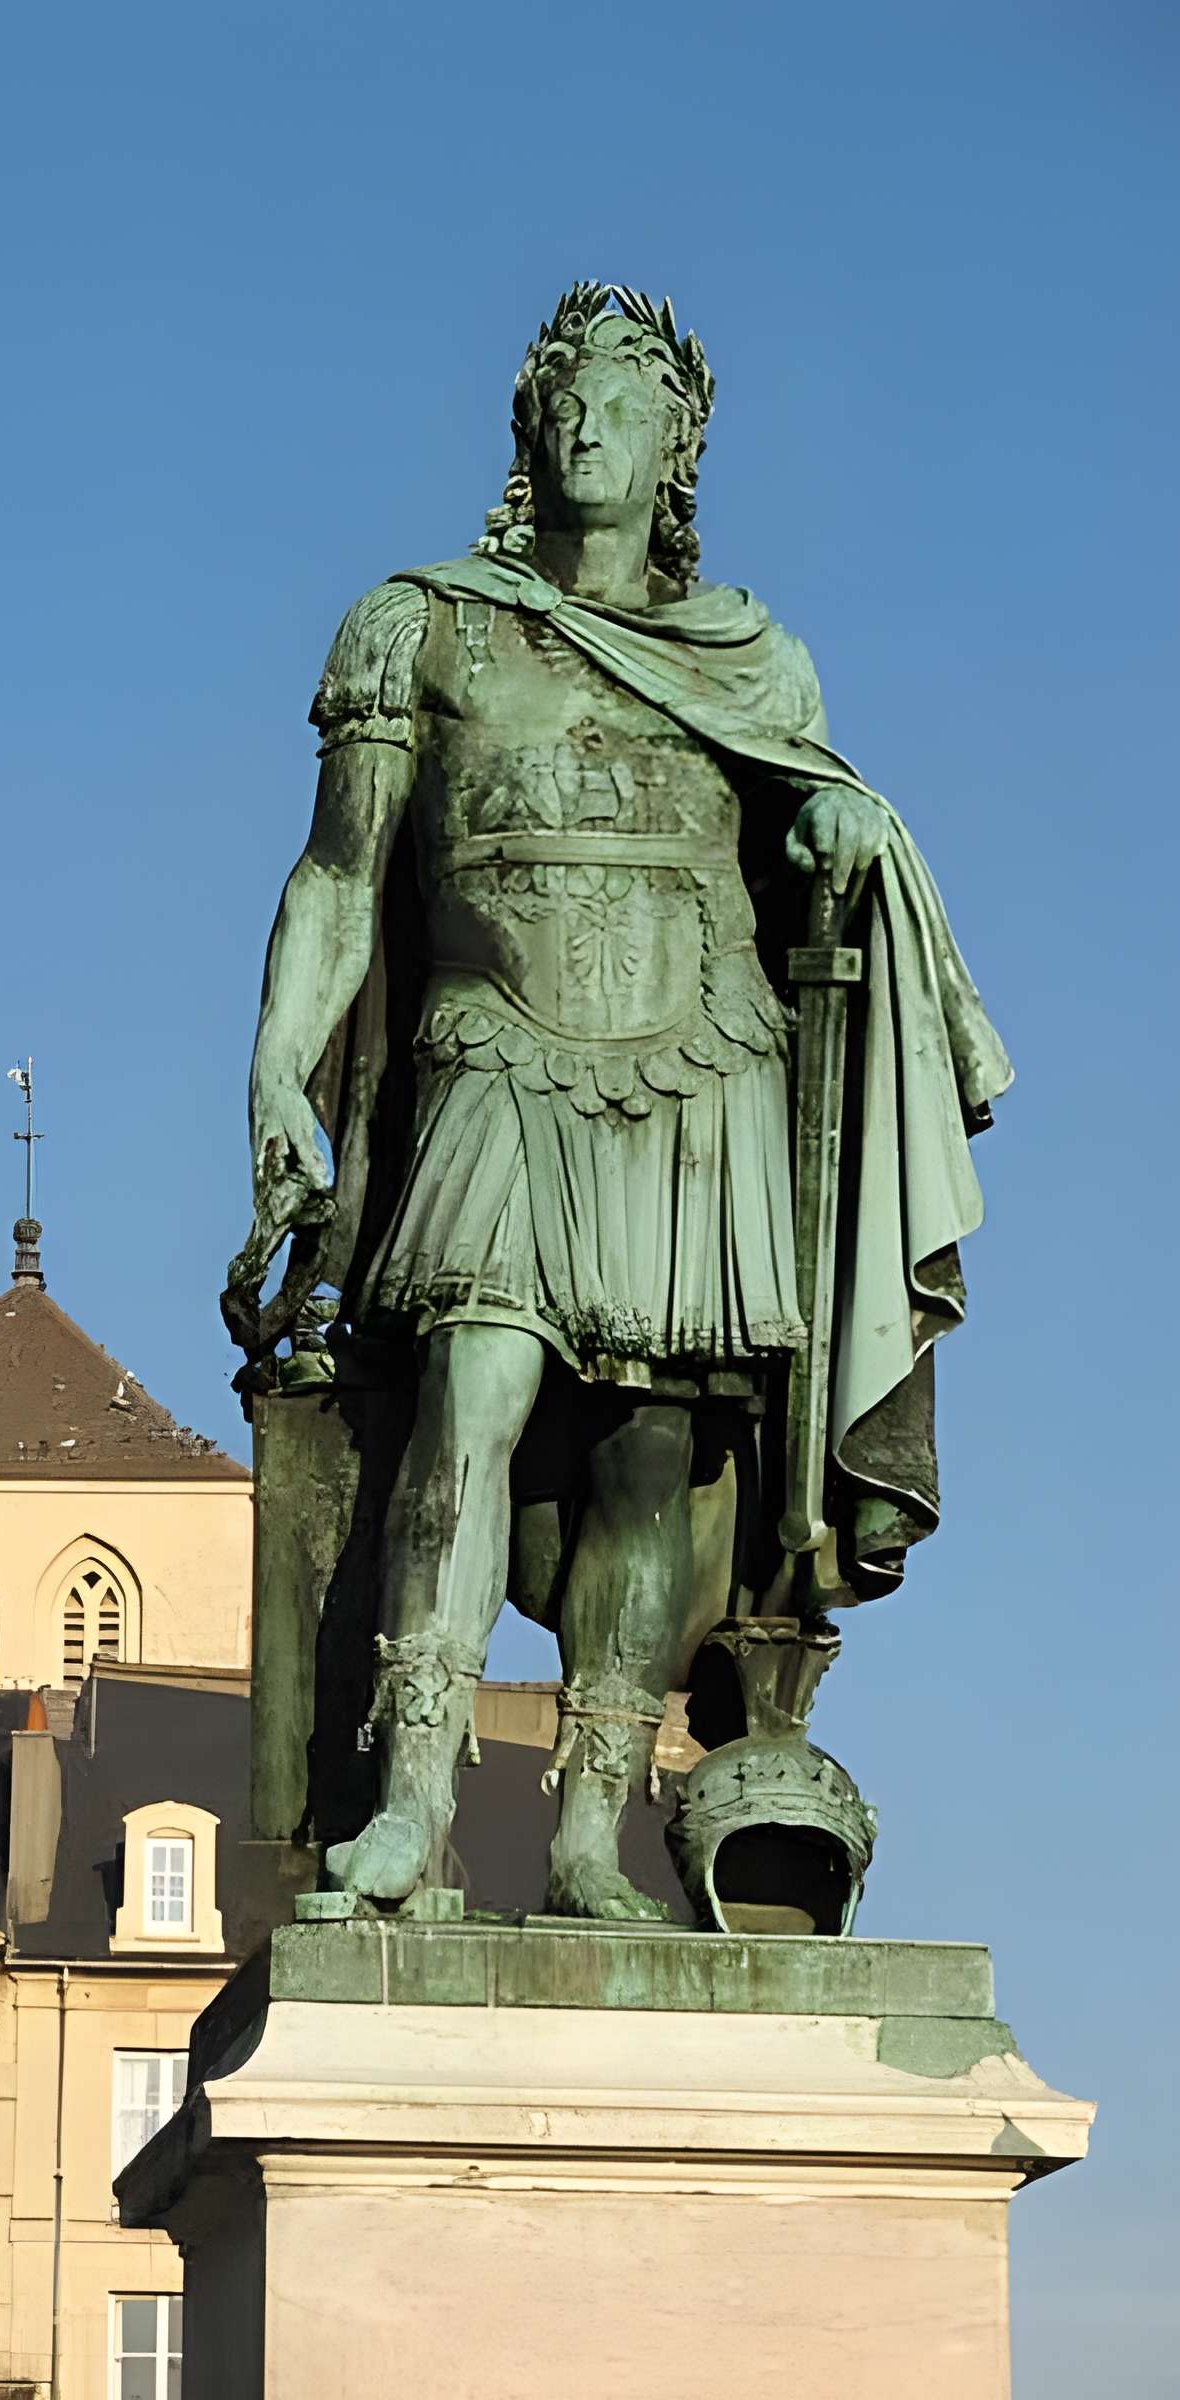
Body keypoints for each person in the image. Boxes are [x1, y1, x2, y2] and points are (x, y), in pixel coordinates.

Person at [228, 285, 1010, 1915]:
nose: (593, 428)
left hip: (698, 1063)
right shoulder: (420, 625)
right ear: (533, 430)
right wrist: (277, 1075)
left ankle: (588, 1832)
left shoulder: (746, 654)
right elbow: (338, 873)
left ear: (677, 450)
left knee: (651, 1456)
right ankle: (416, 1807)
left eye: (628, 408)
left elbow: (805, 831)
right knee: (470, 1400)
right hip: (496, 1055)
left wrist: (840, 843)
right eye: (569, 401)